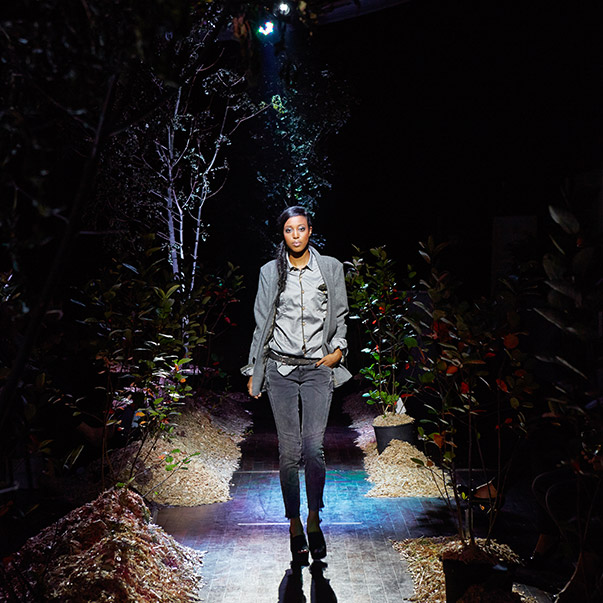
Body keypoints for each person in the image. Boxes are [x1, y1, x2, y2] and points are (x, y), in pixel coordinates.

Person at [242, 205, 352, 566]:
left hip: (319, 368)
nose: (295, 236)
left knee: (314, 449)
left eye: (301, 229)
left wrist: (339, 350)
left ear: (310, 230)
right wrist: (254, 370)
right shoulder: (270, 272)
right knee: (289, 452)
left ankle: (314, 520)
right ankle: (293, 525)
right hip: (282, 369)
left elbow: (341, 315)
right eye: (289, 230)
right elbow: (262, 323)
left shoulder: (330, 268)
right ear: (283, 234)